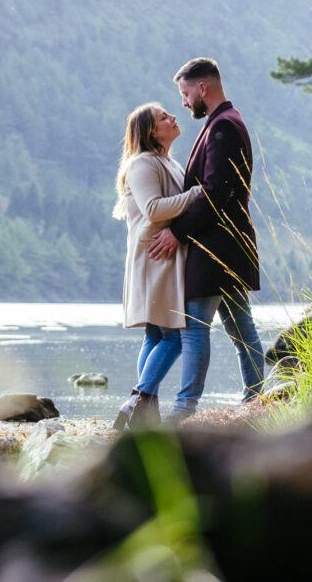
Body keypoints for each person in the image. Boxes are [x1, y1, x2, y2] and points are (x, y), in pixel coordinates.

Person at [147, 57, 264, 420]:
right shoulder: (225, 122)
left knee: (195, 330)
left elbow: (216, 190)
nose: (183, 103)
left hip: (215, 247)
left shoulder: (223, 127)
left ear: (203, 88)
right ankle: (256, 402)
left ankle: (184, 411)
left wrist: (177, 232)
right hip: (227, 245)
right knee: (243, 329)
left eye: (185, 94)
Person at [110, 102, 203, 430]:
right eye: (164, 117)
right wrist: (197, 194)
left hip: (159, 256)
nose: (173, 117)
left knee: (155, 334)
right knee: (174, 336)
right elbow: (153, 209)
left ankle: (142, 409)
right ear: (151, 131)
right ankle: (138, 398)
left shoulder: (167, 162)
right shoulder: (143, 164)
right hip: (155, 257)